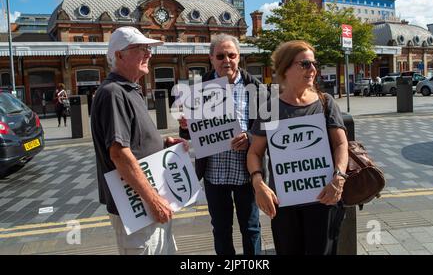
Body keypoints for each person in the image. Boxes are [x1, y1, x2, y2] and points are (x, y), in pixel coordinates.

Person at [91, 26, 188, 255]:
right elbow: (119, 153)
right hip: (137, 206)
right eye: (141, 48)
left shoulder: (130, 90)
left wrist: (163, 144)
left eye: (149, 48)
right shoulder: (113, 92)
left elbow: (132, 142)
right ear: (119, 55)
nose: (149, 54)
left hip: (146, 205)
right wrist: (153, 201)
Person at [247, 40, 349, 255]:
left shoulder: (325, 102)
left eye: (314, 63)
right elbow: (255, 152)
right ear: (285, 68)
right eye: (304, 64)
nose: (312, 69)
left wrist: (339, 177)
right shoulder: (270, 109)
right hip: (285, 205)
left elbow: (341, 143)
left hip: (323, 200)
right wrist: (259, 184)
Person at [179, 34, 267, 255]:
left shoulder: (257, 89)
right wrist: (185, 125)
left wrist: (249, 137)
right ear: (211, 58)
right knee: (220, 229)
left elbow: (269, 129)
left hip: (246, 172)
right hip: (214, 173)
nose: (226, 60)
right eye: (220, 55)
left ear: (239, 57)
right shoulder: (198, 89)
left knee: (251, 228)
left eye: (231, 55)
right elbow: (190, 132)